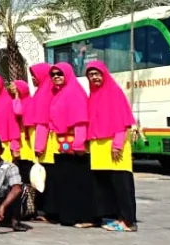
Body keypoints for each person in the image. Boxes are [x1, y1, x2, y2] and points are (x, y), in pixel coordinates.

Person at [34, 62, 95, 228]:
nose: (56, 77)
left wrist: (78, 144)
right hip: (62, 145)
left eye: (59, 74)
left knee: (78, 184)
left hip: (75, 146)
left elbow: (80, 121)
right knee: (66, 184)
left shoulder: (74, 93)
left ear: (67, 74)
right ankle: (69, 217)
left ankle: (85, 217)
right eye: (53, 75)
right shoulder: (57, 94)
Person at [85, 60, 137, 232]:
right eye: (91, 75)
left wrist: (117, 145)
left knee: (121, 184)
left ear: (104, 74)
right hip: (98, 146)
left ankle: (128, 221)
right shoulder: (93, 94)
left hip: (114, 146)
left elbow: (123, 121)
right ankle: (115, 217)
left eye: (97, 74)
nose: (94, 78)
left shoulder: (114, 92)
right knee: (104, 185)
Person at [28, 62, 55, 220]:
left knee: (47, 178)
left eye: (35, 75)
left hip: (46, 145)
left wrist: (39, 146)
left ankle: (48, 211)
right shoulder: (41, 92)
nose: (33, 78)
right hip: (41, 142)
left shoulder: (46, 94)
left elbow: (42, 122)